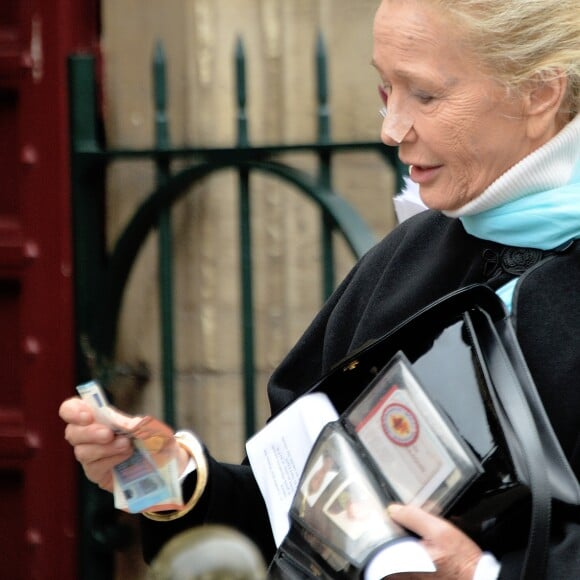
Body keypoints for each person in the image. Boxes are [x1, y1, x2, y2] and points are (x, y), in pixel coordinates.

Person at [59, 0, 580, 577]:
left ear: (540, 93)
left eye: (425, 95)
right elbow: (296, 520)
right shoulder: (408, 257)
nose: (391, 129)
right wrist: (176, 478)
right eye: (386, 90)